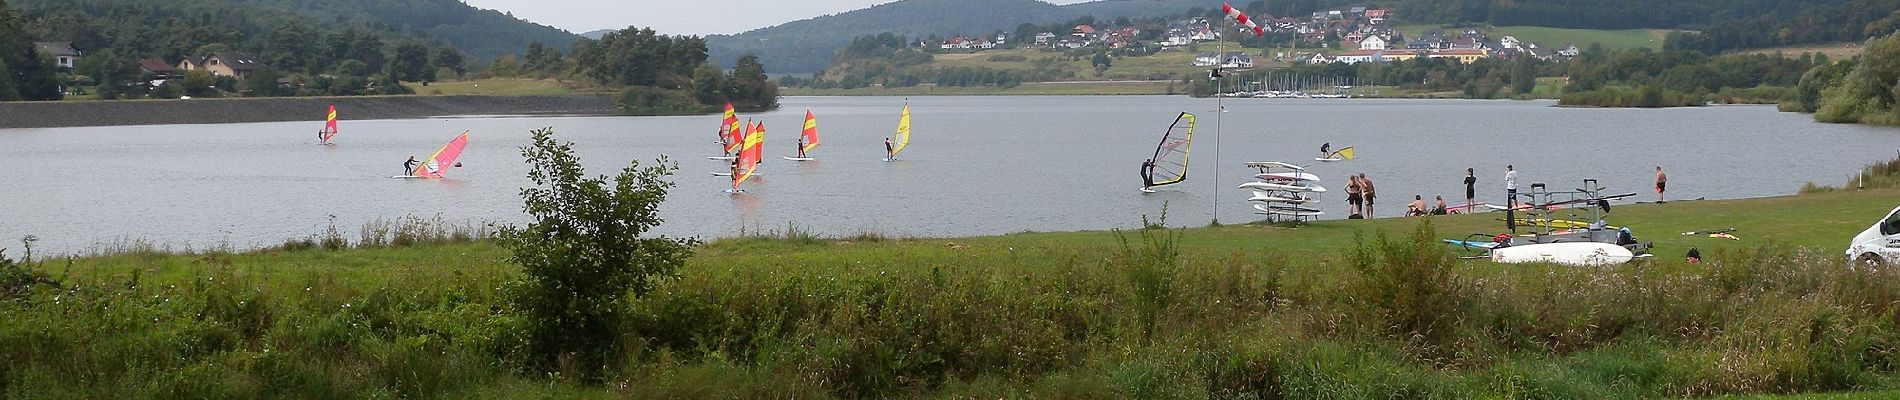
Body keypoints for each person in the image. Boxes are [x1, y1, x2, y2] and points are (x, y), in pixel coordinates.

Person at [1504, 164, 1518, 231]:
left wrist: (1507, 173)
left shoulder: (1509, 173)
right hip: (1514, 186)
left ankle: (1510, 206)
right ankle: (1516, 206)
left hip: (1510, 187)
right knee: (1514, 197)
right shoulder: (1515, 172)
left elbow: (1506, 179)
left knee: (1510, 198)